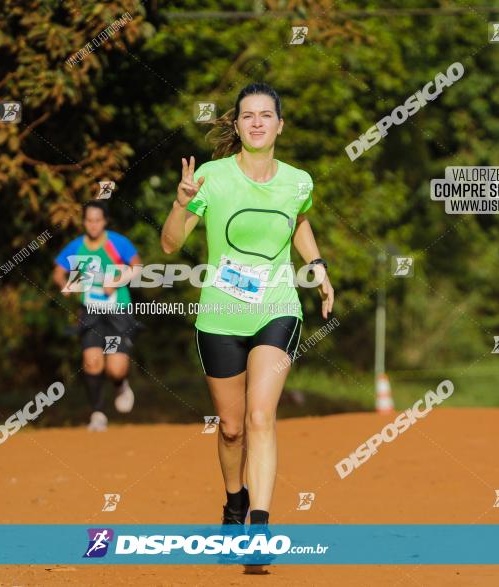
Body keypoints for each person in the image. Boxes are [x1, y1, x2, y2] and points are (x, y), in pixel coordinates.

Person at [160, 82, 334, 559]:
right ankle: (234, 503)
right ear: (236, 126)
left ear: (280, 124)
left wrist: (317, 266)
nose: (257, 122)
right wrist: (181, 202)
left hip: (278, 308)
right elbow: (170, 246)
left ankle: (259, 527)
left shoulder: (299, 180)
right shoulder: (210, 178)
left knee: (261, 415)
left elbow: (299, 221)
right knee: (232, 427)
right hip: (220, 312)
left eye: (266, 115)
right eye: (247, 115)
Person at [53, 200, 142, 432]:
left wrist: (117, 280)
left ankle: (121, 385)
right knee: (91, 361)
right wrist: (70, 286)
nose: (93, 225)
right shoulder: (75, 246)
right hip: (90, 314)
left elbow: (137, 267)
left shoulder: (117, 243)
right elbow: (58, 274)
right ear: (84, 222)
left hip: (117, 312)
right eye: (89, 220)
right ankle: (98, 412)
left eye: (97, 220)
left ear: (105, 221)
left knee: (115, 367)